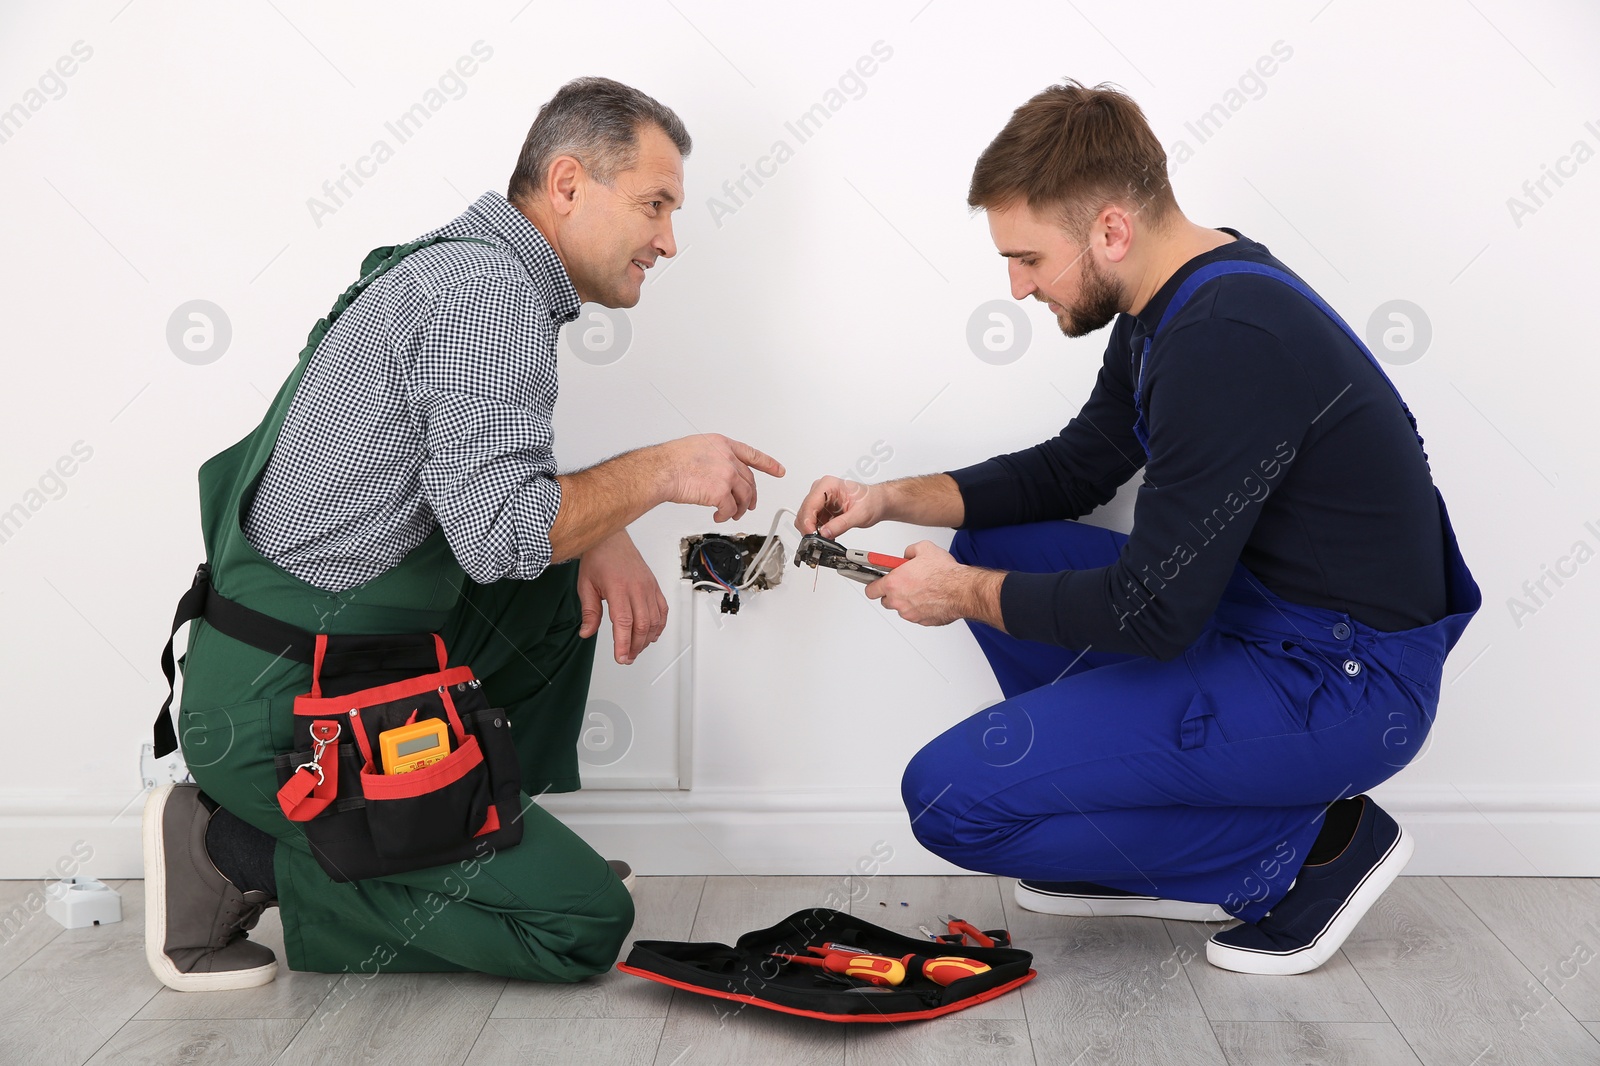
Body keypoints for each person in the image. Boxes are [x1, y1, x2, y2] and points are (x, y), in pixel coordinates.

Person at [796, 80, 1480, 975]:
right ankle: (1124, 838)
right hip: (1263, 617)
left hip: (1343, 681)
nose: (1015, 286)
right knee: (1002, 543)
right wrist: (887, 497)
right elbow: (1078, 467)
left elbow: (1153, 613)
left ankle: (1317, 850)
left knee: (948, 803)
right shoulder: (1173, 298)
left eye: (1029, 258)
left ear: (1110, 230)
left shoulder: (1226, 338)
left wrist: (957, 596)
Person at [144, 76, 784, 991]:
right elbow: (499, 539)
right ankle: (233, 851)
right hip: (285, 714)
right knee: (582, 924)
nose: (668, 241)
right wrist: (658, 473)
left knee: (558, 577)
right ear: (567, 184)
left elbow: (478, 488)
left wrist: (601, 528)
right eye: (654, 205)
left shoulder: (470, 269)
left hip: (326, 659)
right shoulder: (487, 296)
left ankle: (473, 828)